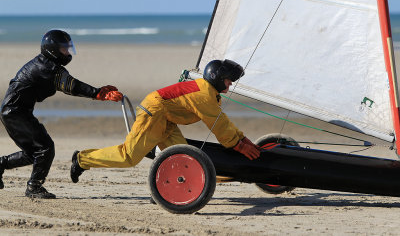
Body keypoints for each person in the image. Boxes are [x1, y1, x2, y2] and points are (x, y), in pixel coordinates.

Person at [70, 59, 260, 185]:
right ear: (217, 78)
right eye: (229, 80)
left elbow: (221, 120)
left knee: (184, 161)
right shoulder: (204, 95)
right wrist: (238, 145)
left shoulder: (210, 94)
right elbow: (219, 125)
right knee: (128, 157)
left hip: (166, 118)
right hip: (154, 113)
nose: (231, 84)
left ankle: (162, 191)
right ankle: (82, 159)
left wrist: (242, 139)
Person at [0, 30, 123, 199]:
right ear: (53, 49)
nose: (68, 52)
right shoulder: (47, 68)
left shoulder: (46, 64)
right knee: (45, 148)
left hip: (14, 111)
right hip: (15, 113)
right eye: (64, 48)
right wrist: (98, 93)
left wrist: (98, 92)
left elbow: (69, 84)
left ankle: (1, 165)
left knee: (35, 152)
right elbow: (72, 86)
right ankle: (34, 187)